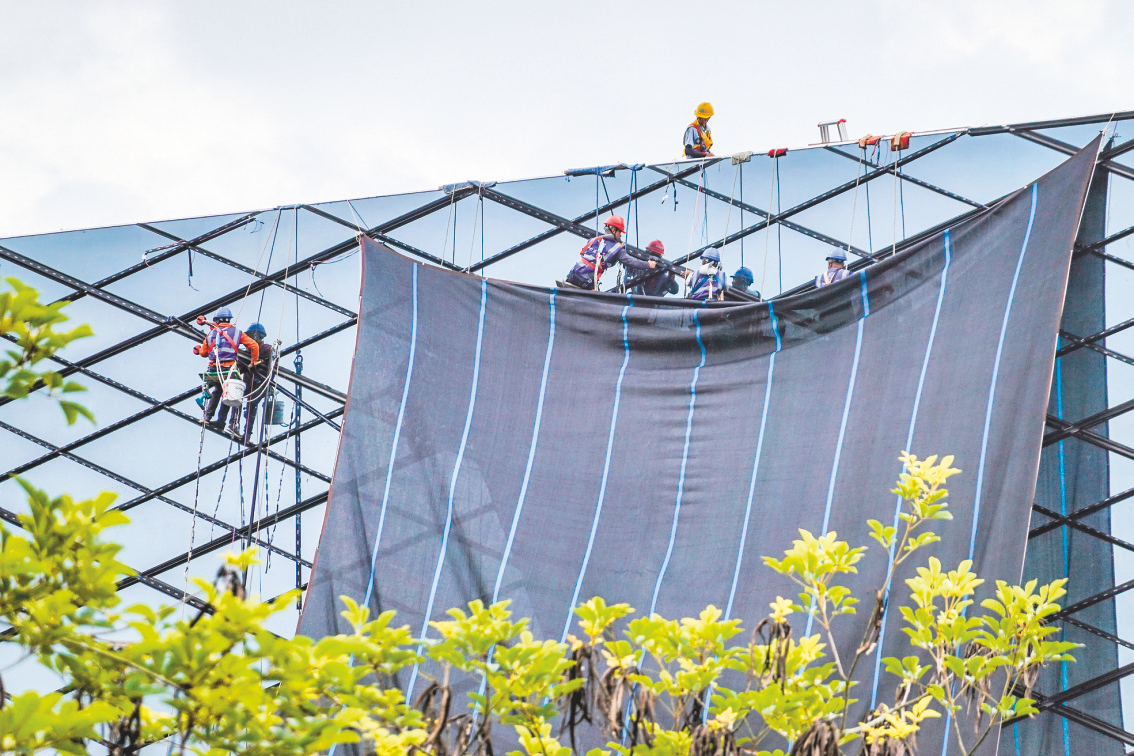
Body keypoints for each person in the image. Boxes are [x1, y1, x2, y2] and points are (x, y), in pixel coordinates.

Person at [193, 306, 259, 434]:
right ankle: (228, 423)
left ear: (216, 320)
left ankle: (207, 417)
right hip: (228, 369)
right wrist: (253, 362)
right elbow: (254, 346)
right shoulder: (237, 333)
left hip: (214, 369)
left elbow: (203, 353)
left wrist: (199, 349)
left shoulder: (210, 334)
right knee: (230, 393)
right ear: (229, 319)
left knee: (218, 390)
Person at [563, 215, 657, 290]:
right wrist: (649, 265)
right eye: (620, 232)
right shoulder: (617, 249)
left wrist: (617, 246)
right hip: (585, 281)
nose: (620, 235)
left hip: (572, 275)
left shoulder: (594, 240)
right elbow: (631, 262)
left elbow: (599, 255)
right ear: (613, 230)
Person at [237, 322, 276, 442]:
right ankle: (234, 425)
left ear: (259, 336)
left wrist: (267, 381)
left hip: (260, 384)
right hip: (249, 383)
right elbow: (239, 367)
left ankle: (247, 434)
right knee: (236, 398)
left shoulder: (267, 349)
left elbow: (273, 369)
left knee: (251, 406)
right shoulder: (247, 352)